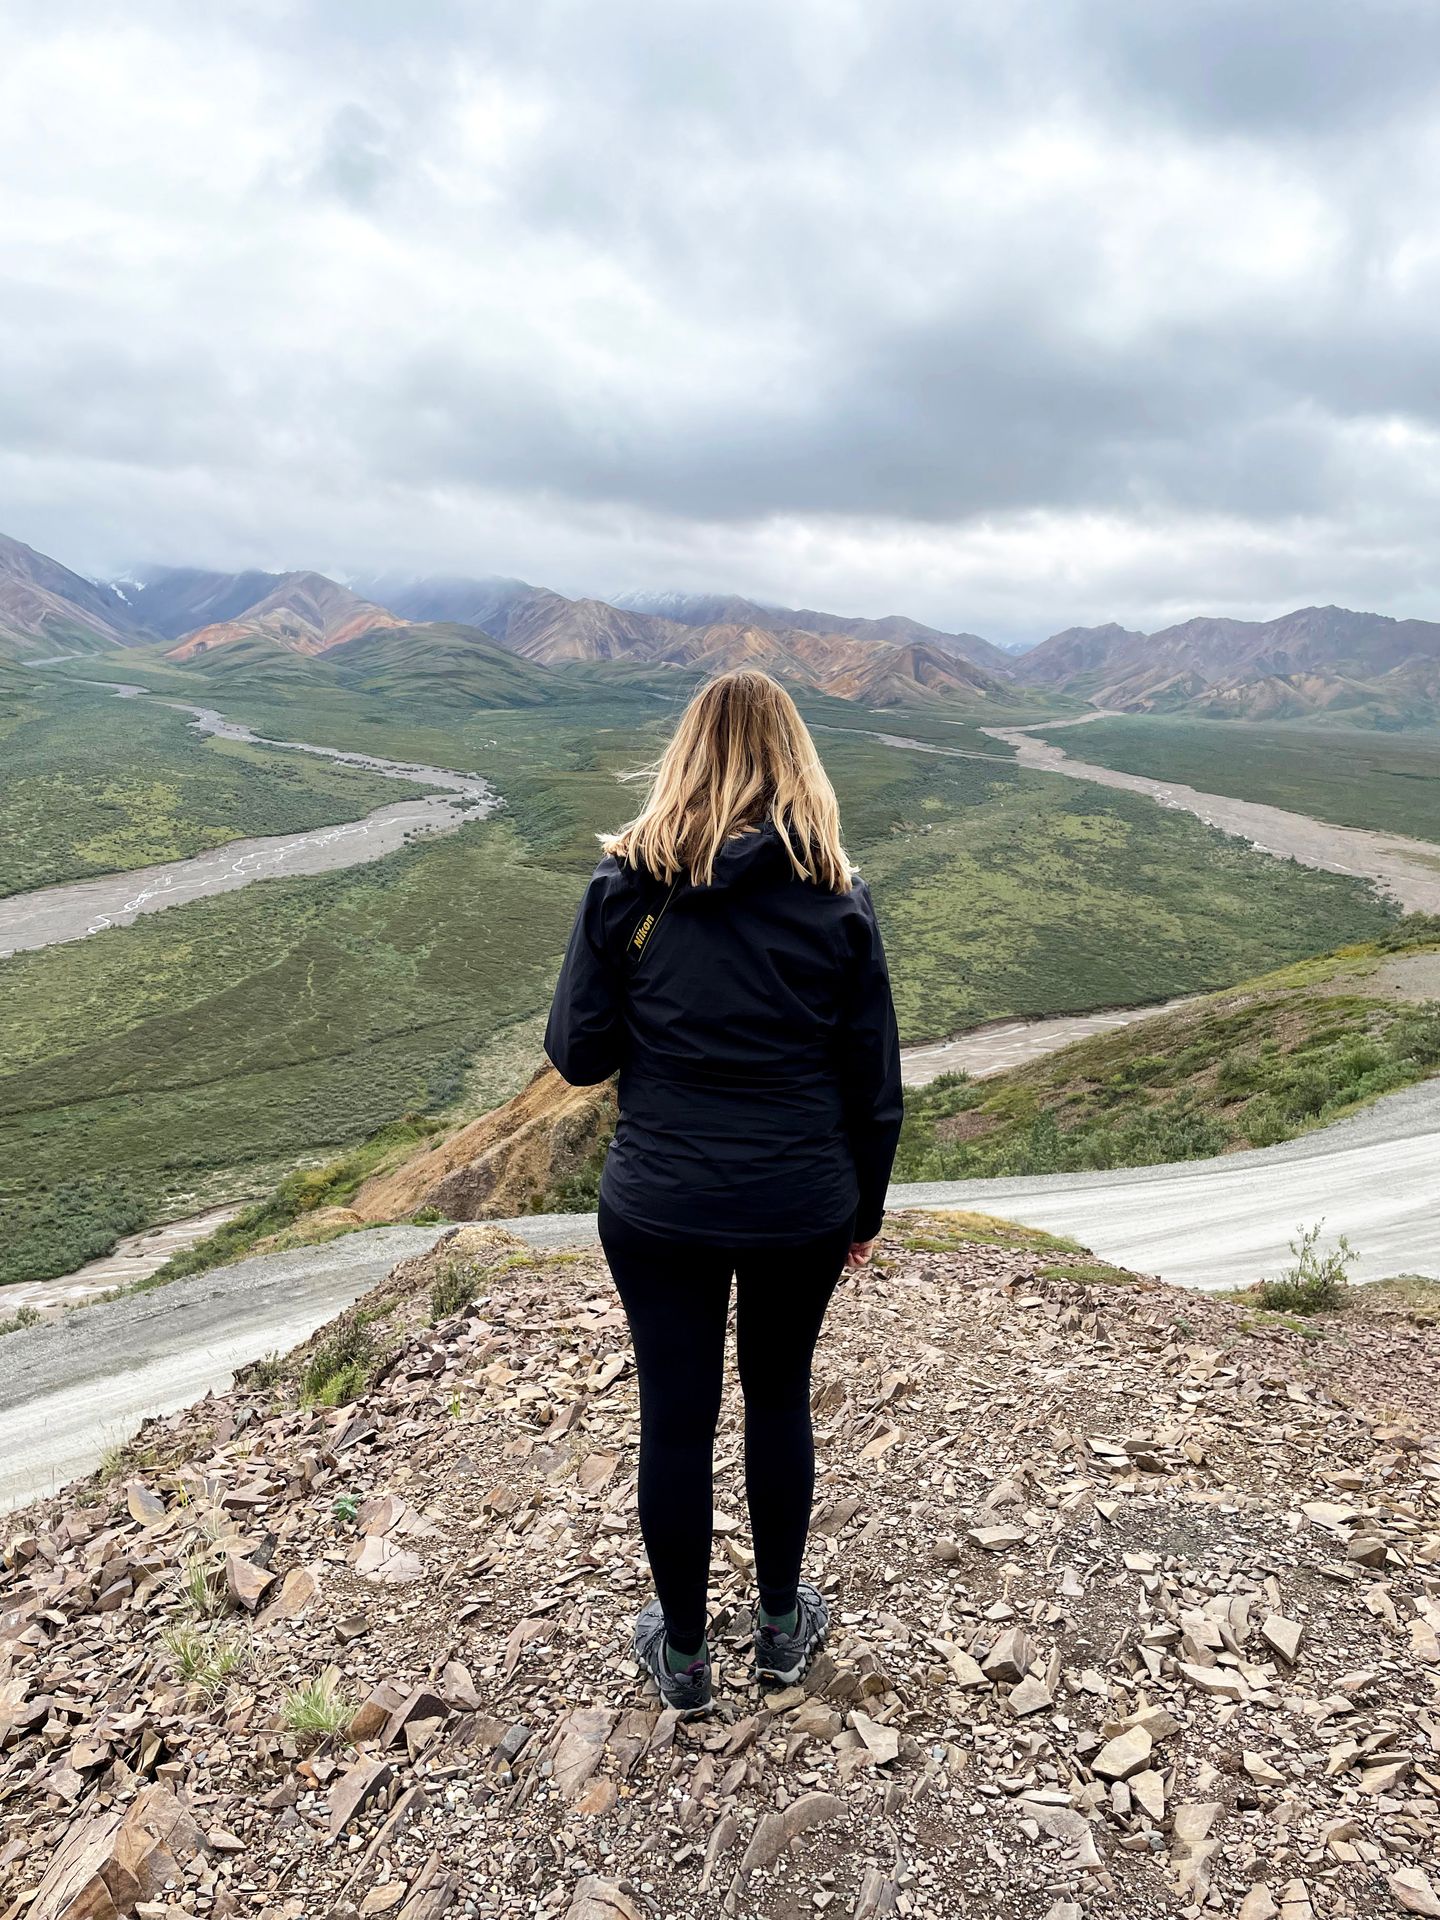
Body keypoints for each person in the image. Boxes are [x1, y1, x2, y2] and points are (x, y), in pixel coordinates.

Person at [544, 667, 902, 1712]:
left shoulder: (626, 889)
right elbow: (872, 1088)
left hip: (661, 1205)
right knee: (778, 1398)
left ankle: (687, 1658)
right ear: (798, 762)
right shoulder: (841, 897)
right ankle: (784, 1633)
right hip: (801, 1200)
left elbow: (577, 1052)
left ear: (684, 757)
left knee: (676, 1418)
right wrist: (863, 1213)